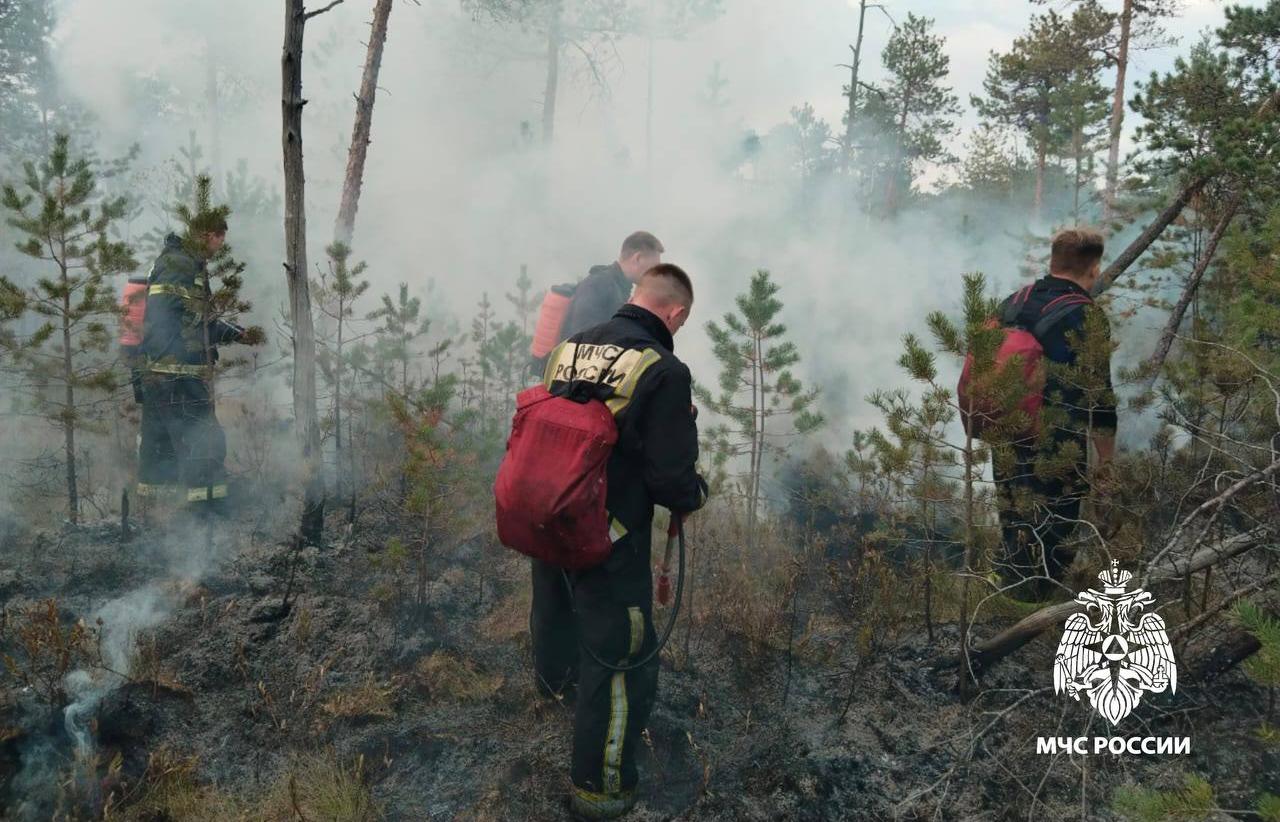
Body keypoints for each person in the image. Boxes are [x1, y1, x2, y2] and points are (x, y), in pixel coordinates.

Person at [531, 263, 707, 820]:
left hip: (549, 514)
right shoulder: (664, 368)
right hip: (609, 537)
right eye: (681, 322)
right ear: (675, 314)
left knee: (554, 610)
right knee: (622, 655)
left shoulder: (571, 346)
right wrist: (695, 490)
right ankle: (600, 792)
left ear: (635, 296)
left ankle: (554, 691)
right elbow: (669, 480)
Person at [992, 227, 1118, 601]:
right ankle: (1039, 614)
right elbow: (1100, 399)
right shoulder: (1087, 316)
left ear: (1052, 261)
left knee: (1014, 522)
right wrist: (1106, 467)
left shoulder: (1012, 303)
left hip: (1007, 435)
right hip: (1058, 444)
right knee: (1054, 533)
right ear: (1093, 269)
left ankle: (1010, 600)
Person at [136, 218, 252, 506]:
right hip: (180, 374)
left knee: (161, 446)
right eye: (219, 238)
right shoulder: (183, 266)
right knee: (204, 441)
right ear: (206, 235)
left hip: (156, 372)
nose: (220, 245)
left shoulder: (169, 261)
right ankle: (206, 513)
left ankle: (159, 515)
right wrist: (233, 333)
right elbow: (189, 324)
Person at [559, 231, 665, 343]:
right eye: (653, 267)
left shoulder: (618, 286)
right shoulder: (600, 283)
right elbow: (584, 334)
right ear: (638, 258)